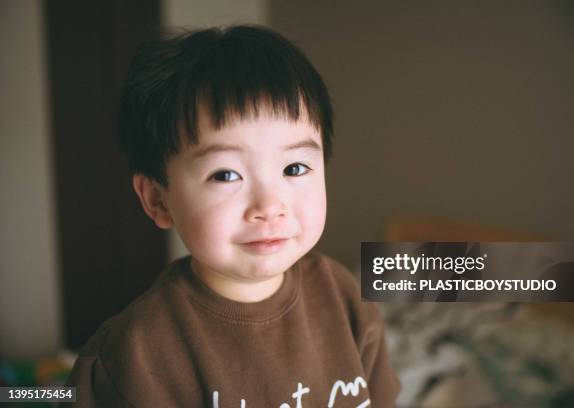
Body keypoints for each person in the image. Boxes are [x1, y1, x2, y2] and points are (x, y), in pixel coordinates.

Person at [63, 25, 400, 407]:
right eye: (226, 175)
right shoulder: (130, 356)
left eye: (294, 169)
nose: (269, 206)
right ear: (157, 200)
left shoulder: (344, 298)